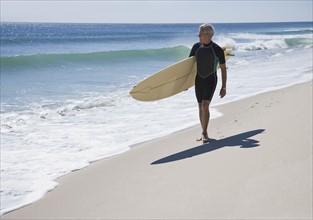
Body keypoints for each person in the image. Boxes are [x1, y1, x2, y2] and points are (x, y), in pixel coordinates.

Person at [189, 23, 227, 143]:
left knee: (205, 105)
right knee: (200, 107)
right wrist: (184, 84)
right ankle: (203, 131)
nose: (198, 35)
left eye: (200, 33)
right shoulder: (196, 47)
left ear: (208, 35)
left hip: (211, 80)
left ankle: (205, 132)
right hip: (198, 80)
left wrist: (224, 87)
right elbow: (188, 67)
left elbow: (223, 68)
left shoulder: (217, 49)